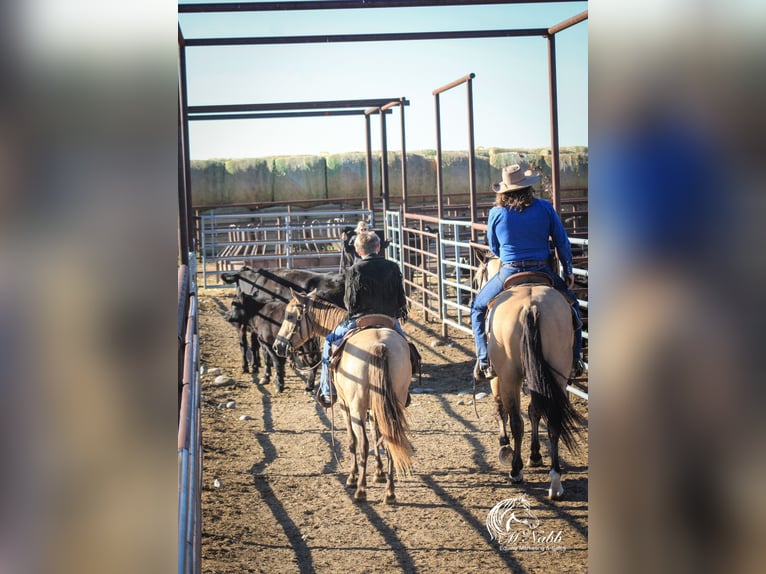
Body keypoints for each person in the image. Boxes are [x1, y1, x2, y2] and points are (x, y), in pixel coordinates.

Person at [471, 164, 584, 381]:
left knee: (477, 307)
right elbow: (562, 242)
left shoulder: (496, 213)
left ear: (504, 191)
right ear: (528, 187)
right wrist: (568, 270)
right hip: (542, 269)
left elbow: (494, 248)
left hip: (509, 271)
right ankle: (575, 360)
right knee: (574, 307)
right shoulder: (545, 208)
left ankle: (484, 360)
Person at [318, 230, 410, 407]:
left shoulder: (354, 269)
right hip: (388, 319)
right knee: (406, 348)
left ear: (358, 251)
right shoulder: (392, 267)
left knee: (329, 342)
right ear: (378, 247)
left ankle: (327, 390)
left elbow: (350, 302)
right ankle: (404, 389)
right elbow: (400, 297)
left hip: (360, 319)